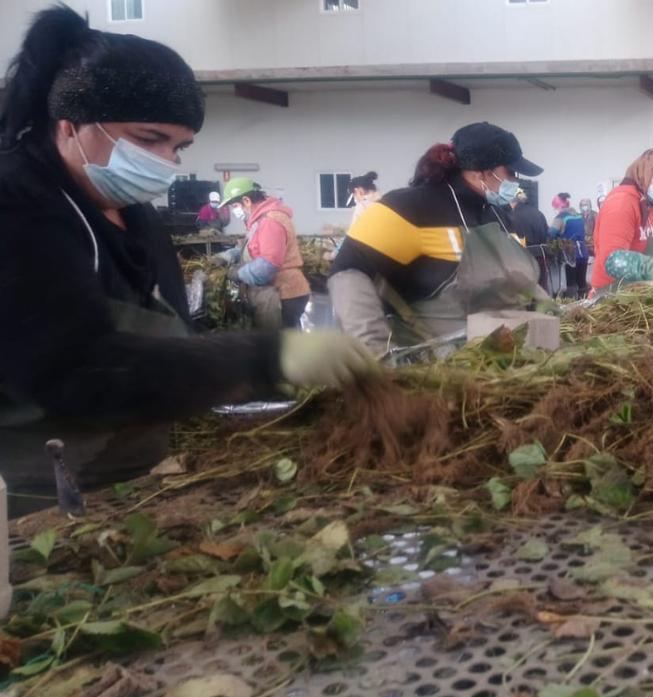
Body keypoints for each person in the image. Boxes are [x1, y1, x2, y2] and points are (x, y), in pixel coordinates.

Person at [0, 7, 373, 516]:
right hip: (29, 506)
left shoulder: (137, 218)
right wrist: (264, 358)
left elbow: (168, 344)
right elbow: (74, 372)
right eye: (149, 139)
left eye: (179, 146)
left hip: (132, 487)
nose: (165, 161)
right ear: (69, 126)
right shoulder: (18, 205)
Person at [328, 122, 547, 355]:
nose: (516, 181)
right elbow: (347, 272)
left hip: (501, 364)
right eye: (510, 172)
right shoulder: (409, 208)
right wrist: (376, 353)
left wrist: (542, 303)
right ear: (479, 172)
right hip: (435, 371)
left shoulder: (496, 215)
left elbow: (512, 276)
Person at [214, 178, 312, 330]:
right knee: (285, 344)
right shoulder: (259, 220)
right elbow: (251, 249)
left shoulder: (270, 221)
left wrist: (238, 274)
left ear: (246, 200)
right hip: (281, 291)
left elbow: (268, 264)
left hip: (285, 293)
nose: (234, 211)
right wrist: (226, 256)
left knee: (282, 346)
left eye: (235, 206)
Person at [590, 148, 653, 292]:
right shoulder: (622, 203)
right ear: (645, 173)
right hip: (614, 297)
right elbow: (612, 259)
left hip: (646, 294)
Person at [508, 189, 553, 294]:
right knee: (541, 288)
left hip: (523, 259)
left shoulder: (512, 216)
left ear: (512, 202)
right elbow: (547, 234)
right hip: (541, 256)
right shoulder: (538, 213)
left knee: (526, 291)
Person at [550, 193, 589, 299]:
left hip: (570, 254)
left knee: (571, 283)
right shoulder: (578, 216)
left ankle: (572, 306)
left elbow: (551, 233)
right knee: (582, 282)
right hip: (583, 253)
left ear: (559, 206)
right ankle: (584, 303)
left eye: (554, 207)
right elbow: (583, 232)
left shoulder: (560, 217)